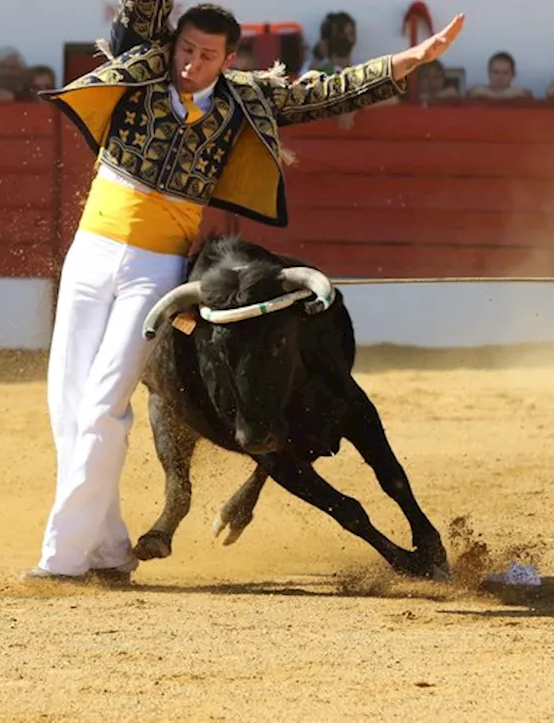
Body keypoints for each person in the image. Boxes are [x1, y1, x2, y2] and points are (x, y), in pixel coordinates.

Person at [25, 1, 465, 584]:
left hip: (155, 270)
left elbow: (329, 93)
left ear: (229, 59)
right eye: (185, 49)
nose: (189, 63)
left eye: (206, 56)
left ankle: (62, 559)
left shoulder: (246, 100)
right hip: (89, 254)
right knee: (67, 408)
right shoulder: (146, 65)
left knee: (105, 404)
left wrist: (409, 60)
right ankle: (106, 549)